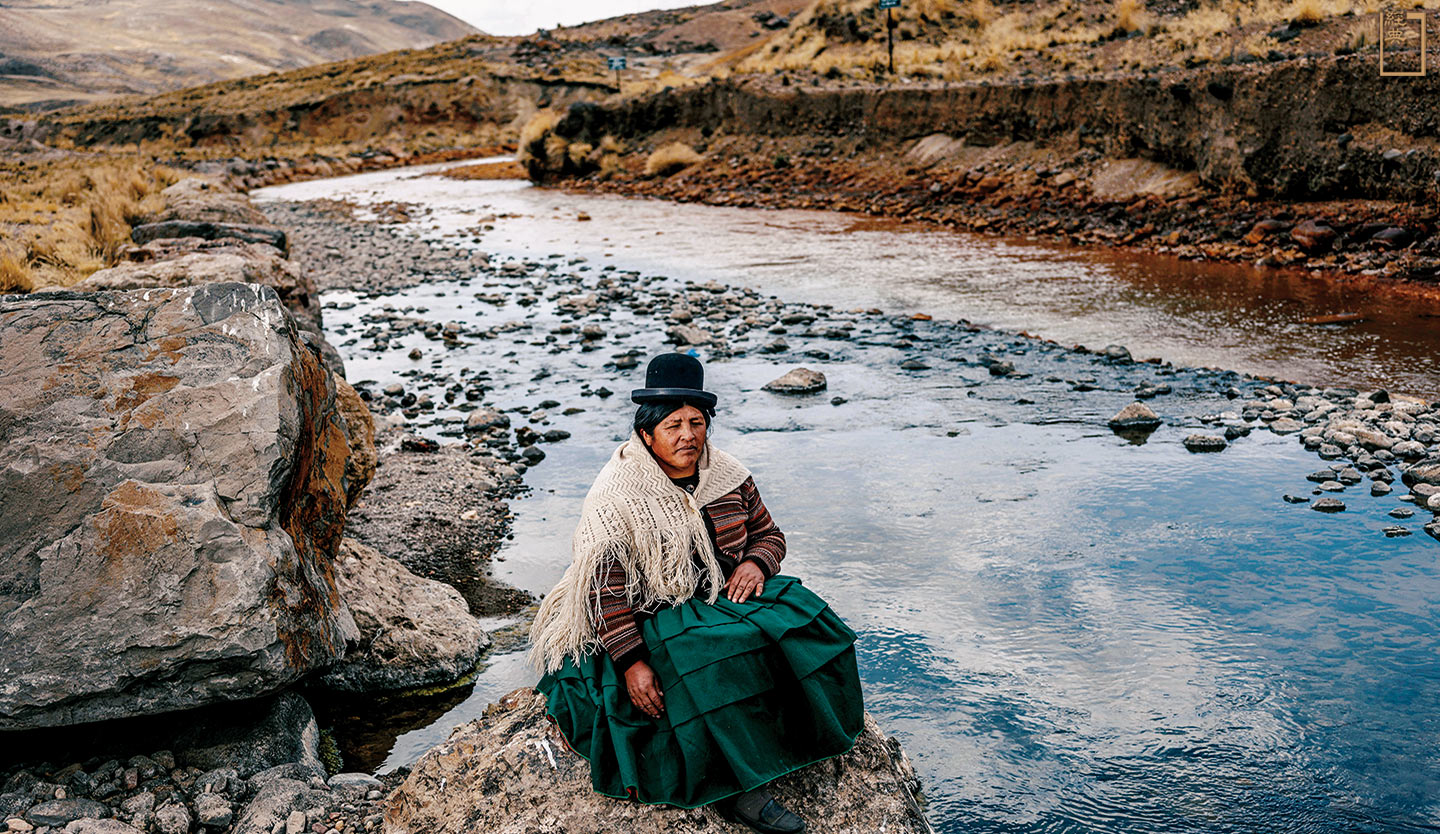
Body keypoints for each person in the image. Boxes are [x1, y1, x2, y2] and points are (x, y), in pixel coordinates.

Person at [529, 352, 865, 834]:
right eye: (674, 425)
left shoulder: (727, 473)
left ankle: (801, 735)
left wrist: (754, 561)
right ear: (647, 434)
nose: (689, 435)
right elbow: (605, 590)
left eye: (697, 422)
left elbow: (771, 535)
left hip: (718, 593)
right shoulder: (617, 494)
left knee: (807, 621)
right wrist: (631, 663)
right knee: (711, 662)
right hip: (648, 610)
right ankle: (739, 790)